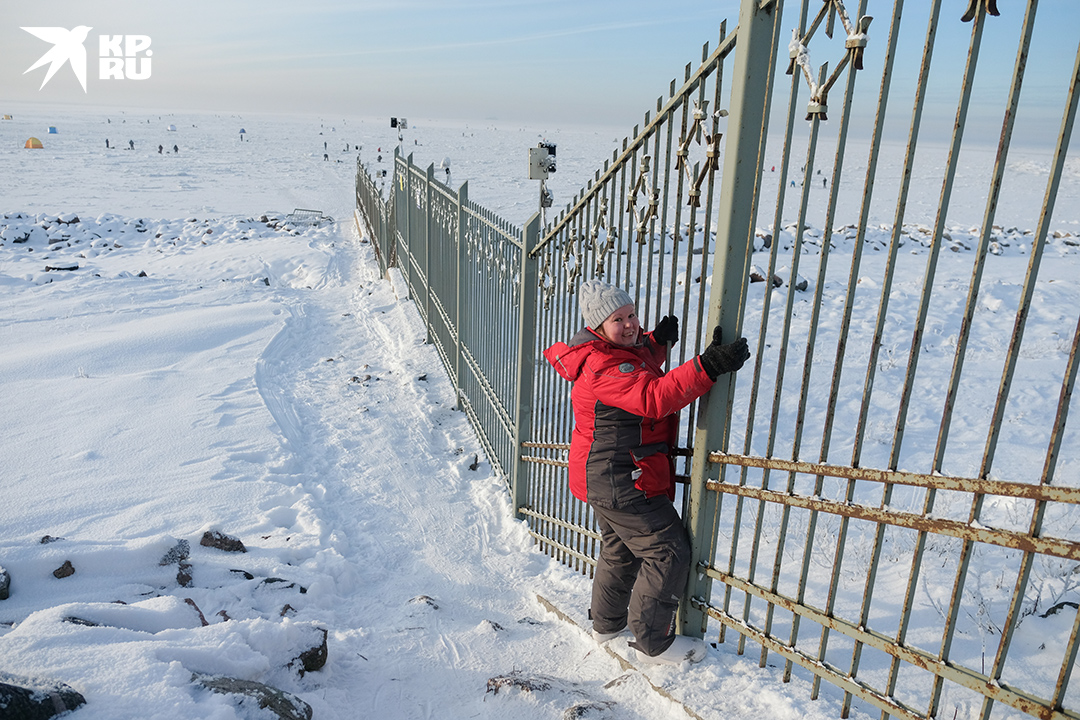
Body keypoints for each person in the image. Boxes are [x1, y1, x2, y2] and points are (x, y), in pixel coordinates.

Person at [543, 279, 750, 666]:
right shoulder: (602, 365)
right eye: (617, 319)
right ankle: (654, 643)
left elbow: (632, 366)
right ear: (597, 327)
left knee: (620, 550)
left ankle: (606, 626)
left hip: (605, 474)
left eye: (632, 315)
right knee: (667, 551)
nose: (630, 325)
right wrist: (707, 366)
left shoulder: (605, 353)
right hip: (620, 476)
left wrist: (655, 343)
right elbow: (650, 396)